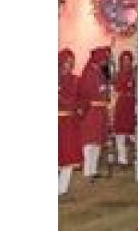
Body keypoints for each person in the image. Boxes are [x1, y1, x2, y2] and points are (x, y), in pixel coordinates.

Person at [79, 46, 111, 181]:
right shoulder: (89, 72)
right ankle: (88, 171)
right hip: (92, 111)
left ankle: (94, 170)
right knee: (90, 141)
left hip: (100, 111)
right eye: (104, 58)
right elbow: (87, 92)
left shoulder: (100, 72)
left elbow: (105, 89)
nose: (106, 61)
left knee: (97, 142)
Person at [59, 48, 82, 196]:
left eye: (71, 61)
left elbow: (76, 100)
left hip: (68, 123)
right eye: (66, 61)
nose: (68, 64)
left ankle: (61, 188)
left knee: (67, 156)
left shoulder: (75, 80)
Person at [113, 50, 135, 166]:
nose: (126, 62)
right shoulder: (117, 74)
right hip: (121, 104)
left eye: (128, 60)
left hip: (132, 104)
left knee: (133, 133)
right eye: (124, 60)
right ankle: (122, 159)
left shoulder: (135, 74)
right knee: (120, 133)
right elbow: (115, 88)